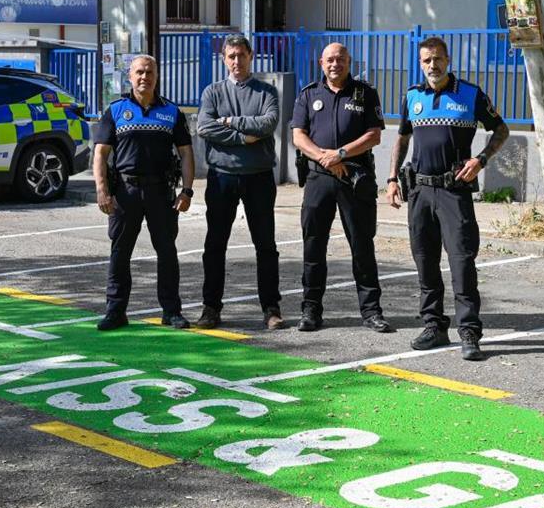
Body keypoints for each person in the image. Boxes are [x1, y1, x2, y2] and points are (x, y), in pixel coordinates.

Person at [386, 36, 510, 360]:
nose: (432, 65)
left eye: (438, 58)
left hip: (454, 191)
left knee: (461, 262)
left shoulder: (469, 94)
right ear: (420, 62)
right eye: (426, 60)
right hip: (420, 191)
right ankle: (434, 327)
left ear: (448, 59)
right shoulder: (413, 96)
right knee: (425, 261)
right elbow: (401, 139)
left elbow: (501, 130)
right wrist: (391, 179)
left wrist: (480, 160)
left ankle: (469, 332)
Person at [290, 43, 392, 334]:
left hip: (354, 179)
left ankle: (372, 312)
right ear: (321, 62)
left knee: (362, 246)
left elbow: (374, 135)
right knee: (313, 247)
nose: (336, 64)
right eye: (330, 60)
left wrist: (341, 154)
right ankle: (310, 311)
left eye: (342, 60)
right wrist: (325, 157)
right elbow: (299, 137)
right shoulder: (308, 94)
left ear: (349, 62)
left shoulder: (365, 93)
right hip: (318, 180)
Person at [92, 55, 195, 331]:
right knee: (120, 252)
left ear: (157, 76)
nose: (144, 77)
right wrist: (102, 189)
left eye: (149, 72)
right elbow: (100, 153)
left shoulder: (171, 112)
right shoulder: (115, 110)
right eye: (139, 72)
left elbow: (186, 153)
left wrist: (187, 191)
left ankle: (171, 311)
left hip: (161, 192)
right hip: (124, 191)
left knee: (167, 252)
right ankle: (115, 311)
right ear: (130, 76)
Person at [195, 35, 284, 330]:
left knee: (266, 245)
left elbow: (268, 123)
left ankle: (271, 309)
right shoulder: (213, 92)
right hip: (222, 177)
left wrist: (230, 122)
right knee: (215, 244)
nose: (237, 61)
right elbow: (204, 127)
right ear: (223, 58)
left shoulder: (266, 91)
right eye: (231, 56)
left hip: (259, 177)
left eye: (241, 56)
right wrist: (244, 137)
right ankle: (211, 308)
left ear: (251, 56)